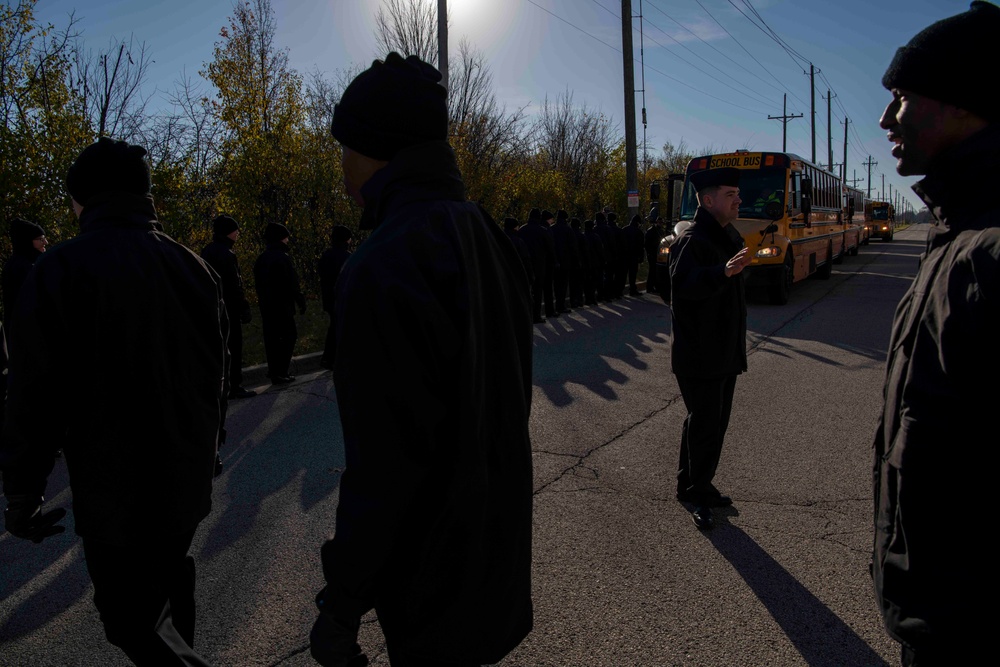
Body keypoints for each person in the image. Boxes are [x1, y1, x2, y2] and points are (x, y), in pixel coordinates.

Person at [312, 52, 534, 667]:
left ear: (377, 150)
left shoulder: (385, 262)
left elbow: (386, 464)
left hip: (431, 573)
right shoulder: (487, 234)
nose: (341, 171)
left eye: (345, 150)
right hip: (495, 548)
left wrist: (343, 601)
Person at [0, 137, 227, 667]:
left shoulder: (59, 270)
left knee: (126, 616)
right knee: (165, 587)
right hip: (185, 473)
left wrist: (22, 494)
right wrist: (211, 447)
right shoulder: (193, 266)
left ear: (83, 200)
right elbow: (214, 372)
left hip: (115, 483)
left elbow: (33, 394)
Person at [872, 3, 1000, 664]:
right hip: (939, 612)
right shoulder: (955, 230)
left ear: (962, 103)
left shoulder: (990, 251)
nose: (886, 119)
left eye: (901, 99)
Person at [668, 167, 751, 530]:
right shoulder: (693, 239)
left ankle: (693, 484)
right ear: (707, 200)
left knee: (711, 423)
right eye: (731, 194)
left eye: (737, 193)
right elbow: (682, 288)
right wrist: (722, 273)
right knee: (705, 424)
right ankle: (697, 493)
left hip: (723, 351)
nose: (739, 200)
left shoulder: (725, 235)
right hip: (699, 353)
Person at [202, 214, 255, 399]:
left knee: (220, 348)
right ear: (228, 232)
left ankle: (221, 385)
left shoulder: (207, 251)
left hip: (214, 307)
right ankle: (235, 385)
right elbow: (234, 284)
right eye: (235, 230)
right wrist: (244, 306)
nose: (237, 233)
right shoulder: (227, 254)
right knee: (234, 346)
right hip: (230, 308)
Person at [253, 221, 306, 385]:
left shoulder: (261, 259)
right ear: (281, 238)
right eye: (286, 237)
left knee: (272, 339)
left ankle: (274, 371)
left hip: (266, 306)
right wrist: (300, 301)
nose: (288, 240)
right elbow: (292, 283)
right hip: (283, 306)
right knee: (289, 336)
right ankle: (282, 371)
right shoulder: (283, 258)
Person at [2, 218, 47, 333]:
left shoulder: (18, 265)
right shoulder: (23, 268)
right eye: (40, 239)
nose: (45, 242)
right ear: (27, 241)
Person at [318, 224, 353, 370]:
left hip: (329, 298)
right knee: (343, 329)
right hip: (343, 298)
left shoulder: (326, 256)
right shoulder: (348, 257)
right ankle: (335, 358)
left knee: (334, 327)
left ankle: (329, 358)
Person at [518, 207, 555, 323]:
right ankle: (536, 315)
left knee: (524, 292)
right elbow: (550, 249)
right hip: (539, 264)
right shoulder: (542, 230)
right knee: (538, 291)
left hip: (523, 265)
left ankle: (525, 315)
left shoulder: (522, 230)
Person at [550, 209, 579, 313]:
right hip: (566, 261)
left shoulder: (551, 229)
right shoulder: (568, 230)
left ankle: (557, 304)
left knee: (556, 285)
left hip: (554, 261)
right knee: (563, 284)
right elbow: (573, 247)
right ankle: (561, 305)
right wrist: (575, 261)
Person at [622, 213, 645, 296]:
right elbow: (641, 246)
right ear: (638, 223)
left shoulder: (624, 229)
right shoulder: (639, 232)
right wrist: (641, 257)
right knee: (632, 274)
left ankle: (620, 290)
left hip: (624, 256)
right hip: (633, 256)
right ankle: (632, 290)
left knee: (623, 274)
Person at [644, 208, 665, 295]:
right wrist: (649, 252)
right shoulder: (651, 231)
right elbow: (647, 243)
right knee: (652, 271)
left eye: (661, 223)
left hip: (659, 254)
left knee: (656, 271)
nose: (660, 224)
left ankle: (655, 286)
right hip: (652, 254)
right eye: (659, 222)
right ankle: (649, 287)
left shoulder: (660, 231)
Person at [569, 217, 589, 308]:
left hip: (570, 263)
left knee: (572, 283)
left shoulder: (569, 234)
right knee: (580, 283)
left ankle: (573, 301)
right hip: (580, 263)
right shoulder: (581, 235)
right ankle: (580, 301)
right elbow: (585, 250)